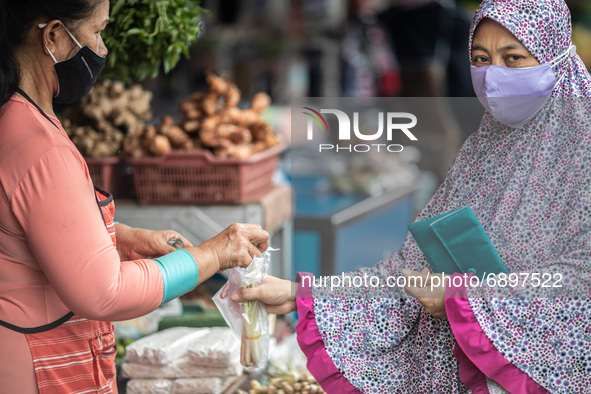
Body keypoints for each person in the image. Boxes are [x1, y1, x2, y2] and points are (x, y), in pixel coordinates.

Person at [232, 0, 591, 392]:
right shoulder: (482, 153)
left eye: (513, 57)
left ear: (555, 56)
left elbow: (577, 286)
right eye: (480, 58)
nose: (493, 76)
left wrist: (461, 299)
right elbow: (405, 273)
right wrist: (300, 294)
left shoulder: (581, 153)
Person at [0, 1, 269, 393]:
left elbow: (28, 229)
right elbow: (105, 293)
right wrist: (213, 254)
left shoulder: (15, 119)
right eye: (97, 32)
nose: (103, 49)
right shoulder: (39, 147)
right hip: (41, 369)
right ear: (54, 36)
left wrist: (120, 238)